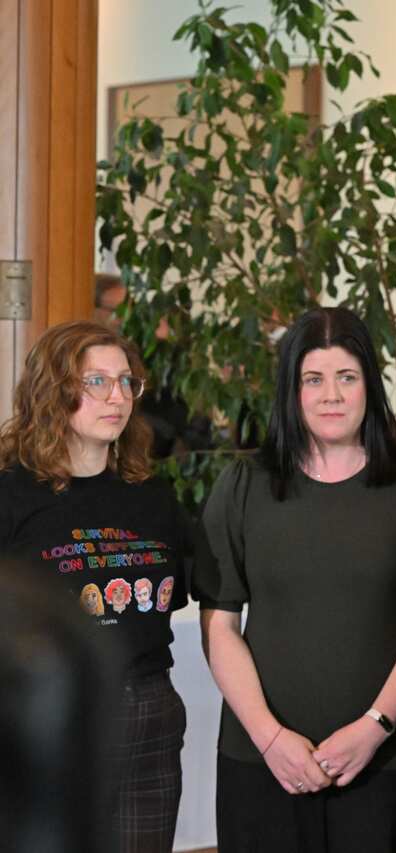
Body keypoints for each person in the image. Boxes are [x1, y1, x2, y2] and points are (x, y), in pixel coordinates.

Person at [196, 307, 396, 853]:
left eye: (347, 377)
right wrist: (270, 738)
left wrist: (373, 728)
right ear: (292, 390)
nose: (331, 395)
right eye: (314, 379)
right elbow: (219, 629)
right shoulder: (243, 485)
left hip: (380, 760)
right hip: (261, 760)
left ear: (369, 387)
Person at [0, 320, 204, 853]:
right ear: (54, 390)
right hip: (52, 713)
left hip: (150, 711)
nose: (116, 397)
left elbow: (181, 592)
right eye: (96, 382)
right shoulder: (11, 494)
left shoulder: (150, 495)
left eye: (126, 382)